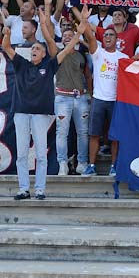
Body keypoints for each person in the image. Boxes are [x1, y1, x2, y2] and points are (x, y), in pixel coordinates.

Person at [1, 0, 74, 200]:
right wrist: (6, 33)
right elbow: (5, 46)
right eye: (32, 48)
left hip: (41, 115)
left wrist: (81, 30)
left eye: (37, 48)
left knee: (41, 154)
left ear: (43, 53)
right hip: (21, 113)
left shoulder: (50, 66)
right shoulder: (21, 64)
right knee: (22, 154)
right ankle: (24, 188)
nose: (33, 50)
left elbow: (67, 49)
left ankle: (40, 189)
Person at [80, 5, 128, 177]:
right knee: (94, 134)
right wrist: (84, 20)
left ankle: (114, 166)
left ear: (117, 39)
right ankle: (91, 166)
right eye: (106, 35)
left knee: (114, 136)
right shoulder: (98, 53)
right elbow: (89, 37)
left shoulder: (124, 58)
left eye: (111, 35)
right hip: (99, 99)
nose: (108, 37)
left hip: (116, 101)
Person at [54, 24, 91, 176]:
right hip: (63, 97)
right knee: (62, 133)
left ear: (76, 38)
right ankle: (62, 163)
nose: (67, 37)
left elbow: (88, 75)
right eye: (65, 35)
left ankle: (82, 163)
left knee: (83, 132)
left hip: (81, 97)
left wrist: (90, 93)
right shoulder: (57, 52)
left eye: (71, 35)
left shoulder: (82, 54)